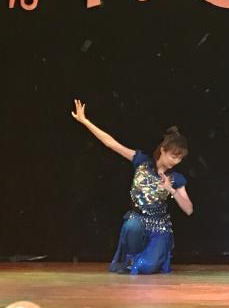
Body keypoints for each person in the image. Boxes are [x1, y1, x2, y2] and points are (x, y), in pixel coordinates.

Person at [71, 99, 193, 274]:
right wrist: (85, 121)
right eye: (174, 156)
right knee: (131, 224)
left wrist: (171, 190)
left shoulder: (176, 178)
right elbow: (112, 144)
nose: (176, 161)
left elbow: (188, 209)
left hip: (159, 227)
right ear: (163, 150)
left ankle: (143, 260)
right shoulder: (141, 161)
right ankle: (131, 258)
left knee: (145, 267)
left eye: (180, 159)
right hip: (138, 220)